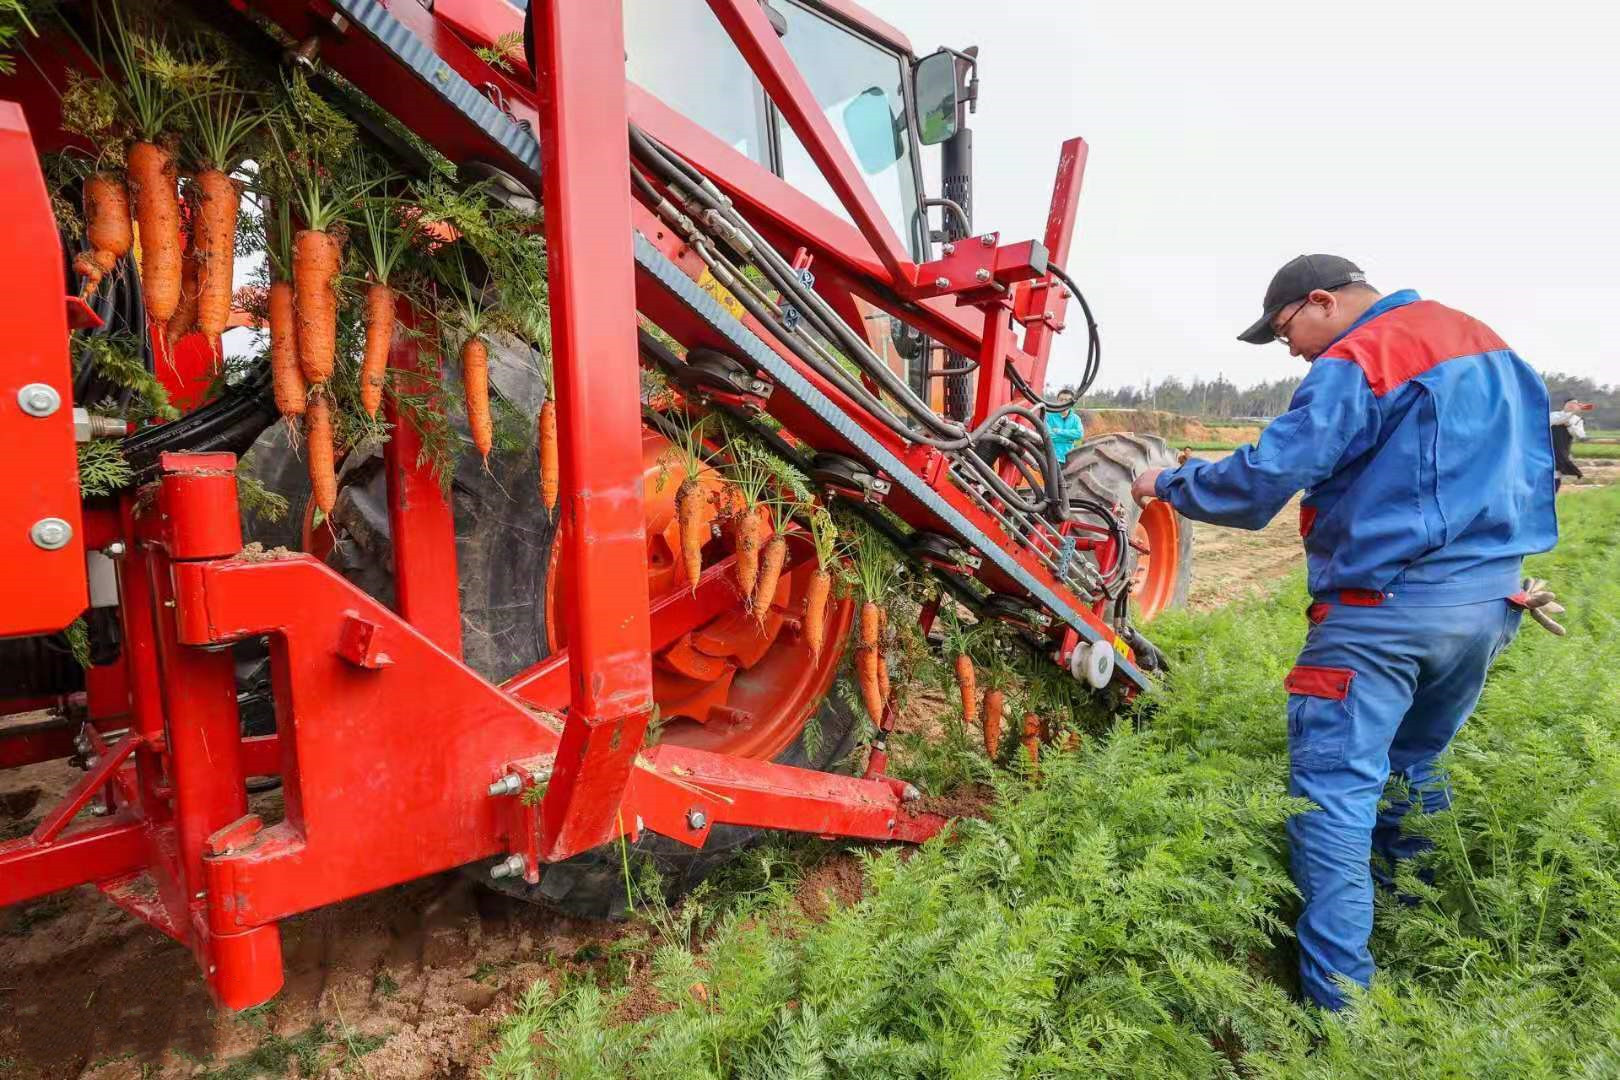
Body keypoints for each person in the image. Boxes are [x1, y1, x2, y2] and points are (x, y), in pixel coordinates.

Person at [1128, 254, 1565, 1011]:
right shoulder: (1492, 347)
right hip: (1489, 609)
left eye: (1285, 331)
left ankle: (1341, 1013)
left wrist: (1165, 482)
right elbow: (1539, 473)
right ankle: (1417, 929)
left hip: (1382, 616)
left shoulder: (1364, 353)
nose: (1292, 351)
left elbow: (1263, 481)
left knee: (1333, 799)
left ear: (1322, 301)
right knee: (1416, 764)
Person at [1549, 395, 1594, 491]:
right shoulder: (1553, 414)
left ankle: (1553, 494)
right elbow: (1557, 420)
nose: (1572, 406)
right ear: (1564, 404)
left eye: (1575, 404)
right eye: (1570, 403)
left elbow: (1580, 435)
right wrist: (1572, 413)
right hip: (1549, 446)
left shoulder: (1577, 420)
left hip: (1563, 447)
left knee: (1558, 470)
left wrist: (1569, 425)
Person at [1044, 389, 1085, 464]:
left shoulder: (1075, 418)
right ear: (1057, 401)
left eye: (1066, 400)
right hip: (1052, 458)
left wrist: (1059, 431)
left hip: (1070, 458)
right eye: (1061, 400)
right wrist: (1069, 439)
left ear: (1071, 403)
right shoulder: (1048, 417)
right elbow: (1049, 436)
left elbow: (1079, 434)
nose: (1063, 402)